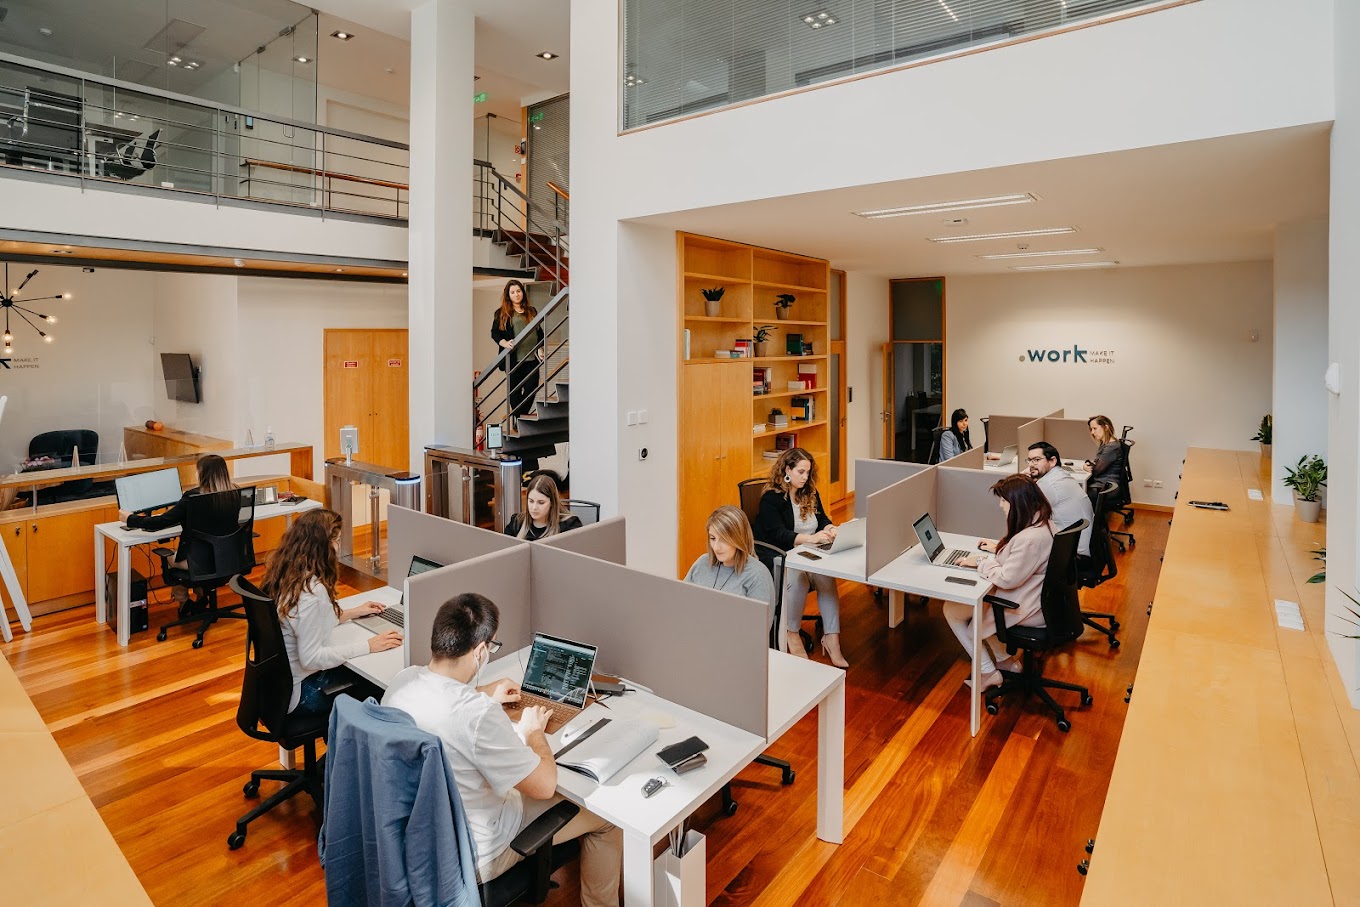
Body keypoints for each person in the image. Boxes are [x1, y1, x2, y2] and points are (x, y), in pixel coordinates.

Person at [382, 593, 621, 907]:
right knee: (607, 819)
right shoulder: (478, 715)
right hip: (478, 854)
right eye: (492, 647)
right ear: (481, 651)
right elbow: (544, 785)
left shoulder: (402, 682)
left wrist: (483, 692)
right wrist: (534, 732)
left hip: (419, 842)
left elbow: (446, 699)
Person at [264, 509, 402, 717]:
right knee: (383, 691)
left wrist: (352, 612)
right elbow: (311, 658)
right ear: (322, 546)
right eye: (336, 540)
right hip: (304, 693)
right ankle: (345, 746)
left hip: (278, 687)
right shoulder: (311, 591)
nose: (339, 547)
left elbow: (309, 622)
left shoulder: (290, 573)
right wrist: (368, 646)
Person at [951, 474, 1056, 691]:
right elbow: (1020, 559)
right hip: (1040, 600)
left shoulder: (1030, 540)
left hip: (1025, 607)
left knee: (951, 610)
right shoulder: (1044, 525)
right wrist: (997, 549)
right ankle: (1005, 661)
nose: (1000, 505)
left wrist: (980, 562)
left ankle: (988, 672)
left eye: (1003, 500)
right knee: (983, 609)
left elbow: (1007, 579)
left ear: (1018, 503)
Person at [752, 448, 847, 667]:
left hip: (808, 552)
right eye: (801, 472)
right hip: (780, 555)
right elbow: (777, 534)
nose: (805, 477)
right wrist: (810, 539)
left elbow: (822, 518)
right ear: (787, 470)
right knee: (799, 578)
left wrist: (830, 528)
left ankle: (832, 638)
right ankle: (791, 632)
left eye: (808, 472)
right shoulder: (772, 498)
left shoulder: (810, 492)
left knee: (826, 577)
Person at [125, 453, 237, 604]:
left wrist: (130, 519)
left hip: (198, 563)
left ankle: (183, 601)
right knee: (191, 553)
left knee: (170, 556)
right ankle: (201, 594)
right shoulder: (235, 493)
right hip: (228, 559)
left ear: (203, 474)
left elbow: (161, 521)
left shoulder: (193, 497)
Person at [683, 505, 776, 629]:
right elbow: (682, 605)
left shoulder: (758, 575)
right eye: (713, 538)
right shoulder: (702, 563)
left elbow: (758, 632)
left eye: (724, 540)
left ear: (739, 539)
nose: (716, 547)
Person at [490, 279, 544, 471]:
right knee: (513, 394)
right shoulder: (502, 313)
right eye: (513, 292)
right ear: (508, 295)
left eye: (518, 291)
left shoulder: (532, 311)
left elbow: (541, 333)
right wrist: (503, 342)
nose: (516, 294)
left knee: (531, 388)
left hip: (532, 359)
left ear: (523, 293)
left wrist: (541, 348)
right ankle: (522, 420)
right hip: (514, 360)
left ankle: (520, 419)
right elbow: (494, 333)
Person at [1026, 442, 1093, 557]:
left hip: (1073, 554)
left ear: (1052, 461)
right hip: (1083, 544)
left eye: (1036, 460)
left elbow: (1026, 517)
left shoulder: (1047, 484)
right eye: (1029, 460)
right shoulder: (1061, 475)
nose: (1031, 465)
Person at [502, 472, 583, 539]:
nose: (534, 508)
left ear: (552, 503)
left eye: (541, 502)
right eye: (531, 501)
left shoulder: (570, 525)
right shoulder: (517, 522)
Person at [1083, 414, 1124, 486]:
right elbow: (1097, 464)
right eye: (1091, 429)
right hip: (1101, 482)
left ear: (1105, 427)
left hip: (1106, 485)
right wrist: (1088, 465)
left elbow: (1096, 471)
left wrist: (1086, 468)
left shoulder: (1111, 447)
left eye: (1095, 428)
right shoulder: (1105, 443)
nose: (1092, 432)